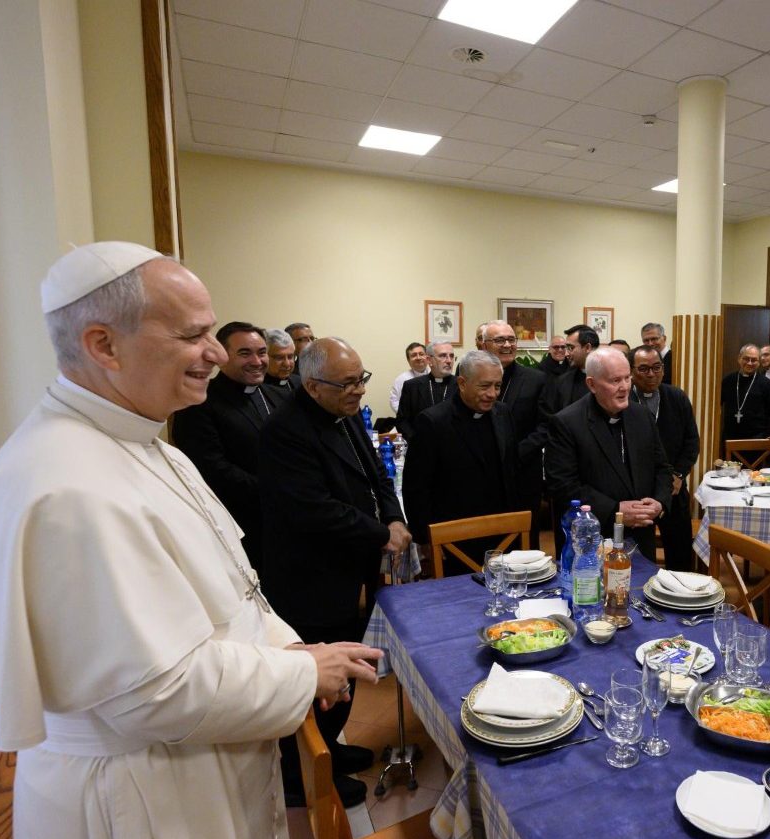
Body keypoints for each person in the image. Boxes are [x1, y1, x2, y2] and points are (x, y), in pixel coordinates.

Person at [0, 243, 378, 839]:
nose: (217, 353)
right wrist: (302, 674)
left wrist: (291, 651)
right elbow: (153, 690)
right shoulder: (67, 486)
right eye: (193, 335)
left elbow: (232, 589)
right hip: (142, 795)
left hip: (197, 754)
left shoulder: (146, 442)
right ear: (104, 345)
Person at [259, 337, 410, 806]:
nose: (359, 390)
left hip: (350, 566)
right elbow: (313, 509)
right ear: (311, 386)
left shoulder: (342, 416)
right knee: (316, 678)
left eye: (361, 379)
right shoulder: (284, 431)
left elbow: (376, 476)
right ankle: (302, 775)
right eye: (347, 383)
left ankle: (332, 746)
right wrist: (379, 534)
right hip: (311, 575)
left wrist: (394, 517)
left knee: (345, 665)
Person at [173, 320, 289, 569]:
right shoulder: (200, 404)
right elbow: (211, 468)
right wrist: (273, 492)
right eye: (244, 353)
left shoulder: (278, 396)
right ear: (223, 356)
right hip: (242, 525)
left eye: (261, 352)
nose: (257, 361)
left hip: (290, 521)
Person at [546, 347, 673, 558]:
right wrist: (616, 510)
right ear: (592, 384)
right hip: (591, 540)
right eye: (615, 381)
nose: (624, 387)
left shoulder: (641, 415)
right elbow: (562, 485)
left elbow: (662, 467)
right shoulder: (567, 423)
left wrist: (659, 502)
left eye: (627, 378)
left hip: (640, 538)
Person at [404, 350, 522, 572]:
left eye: (497, 386)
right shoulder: (432, 422)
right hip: (454, 537)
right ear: (462, 383)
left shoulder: (503, 413)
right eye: (484, 386)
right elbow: (416, 488)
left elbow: (511, 469)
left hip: (502, 532)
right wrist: (426, 540)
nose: (492, 394)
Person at [630, 345, 699, 571]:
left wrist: (678, 474)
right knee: (638, 555)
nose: (651, 374)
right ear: (631, 371)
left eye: (656, 367)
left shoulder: (676, 397)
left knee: (679, 553)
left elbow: (691, 442)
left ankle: (680, 597)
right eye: (644, 369)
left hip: (674, 488)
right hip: (638, 491)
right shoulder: (625, 401)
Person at [481, 320, 549, 546]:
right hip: (482, 475)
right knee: (486, 542)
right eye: (500, 340)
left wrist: (513, 455)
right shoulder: (472, 375)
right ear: (484, 345)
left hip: (523, 475)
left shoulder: (535, 379)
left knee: (525, 546)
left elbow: (546, 426)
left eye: (511, 339)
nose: (507, 345)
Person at [395, 341, 456, 441]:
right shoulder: (411, 386)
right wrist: (416, 441)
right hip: (420, 448)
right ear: (429, 360)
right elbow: (402, 421)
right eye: (443, 356)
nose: (449, 360)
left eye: (451, 356)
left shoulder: (462, 386)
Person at [721, 344, 770, 442]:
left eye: (754, 360)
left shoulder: (766, 384)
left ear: (759, 362)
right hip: (730, 438)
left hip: (757, 439)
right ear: (739, 359)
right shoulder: (728, 381)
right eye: (746, 359)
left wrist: (766, 437)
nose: (750, 363)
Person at [544, 324, 599, 416]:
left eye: (571, 348)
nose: (566, 354)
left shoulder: (611, 377)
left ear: (587, 348)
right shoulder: (562, 381)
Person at [388, 341, 428, 413]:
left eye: (421, 354)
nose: (418, 358)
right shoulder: (401, 379)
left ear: (427, 357)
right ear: (408, 360)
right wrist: (404, 415)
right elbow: (394, 400)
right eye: (414, 355)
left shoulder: (436, 375)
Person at [265, 327, 302, 395]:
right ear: (264, 357)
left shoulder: (301, 383)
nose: (287, 364)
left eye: (290, 357)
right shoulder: (256, 387)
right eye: (279, 358)